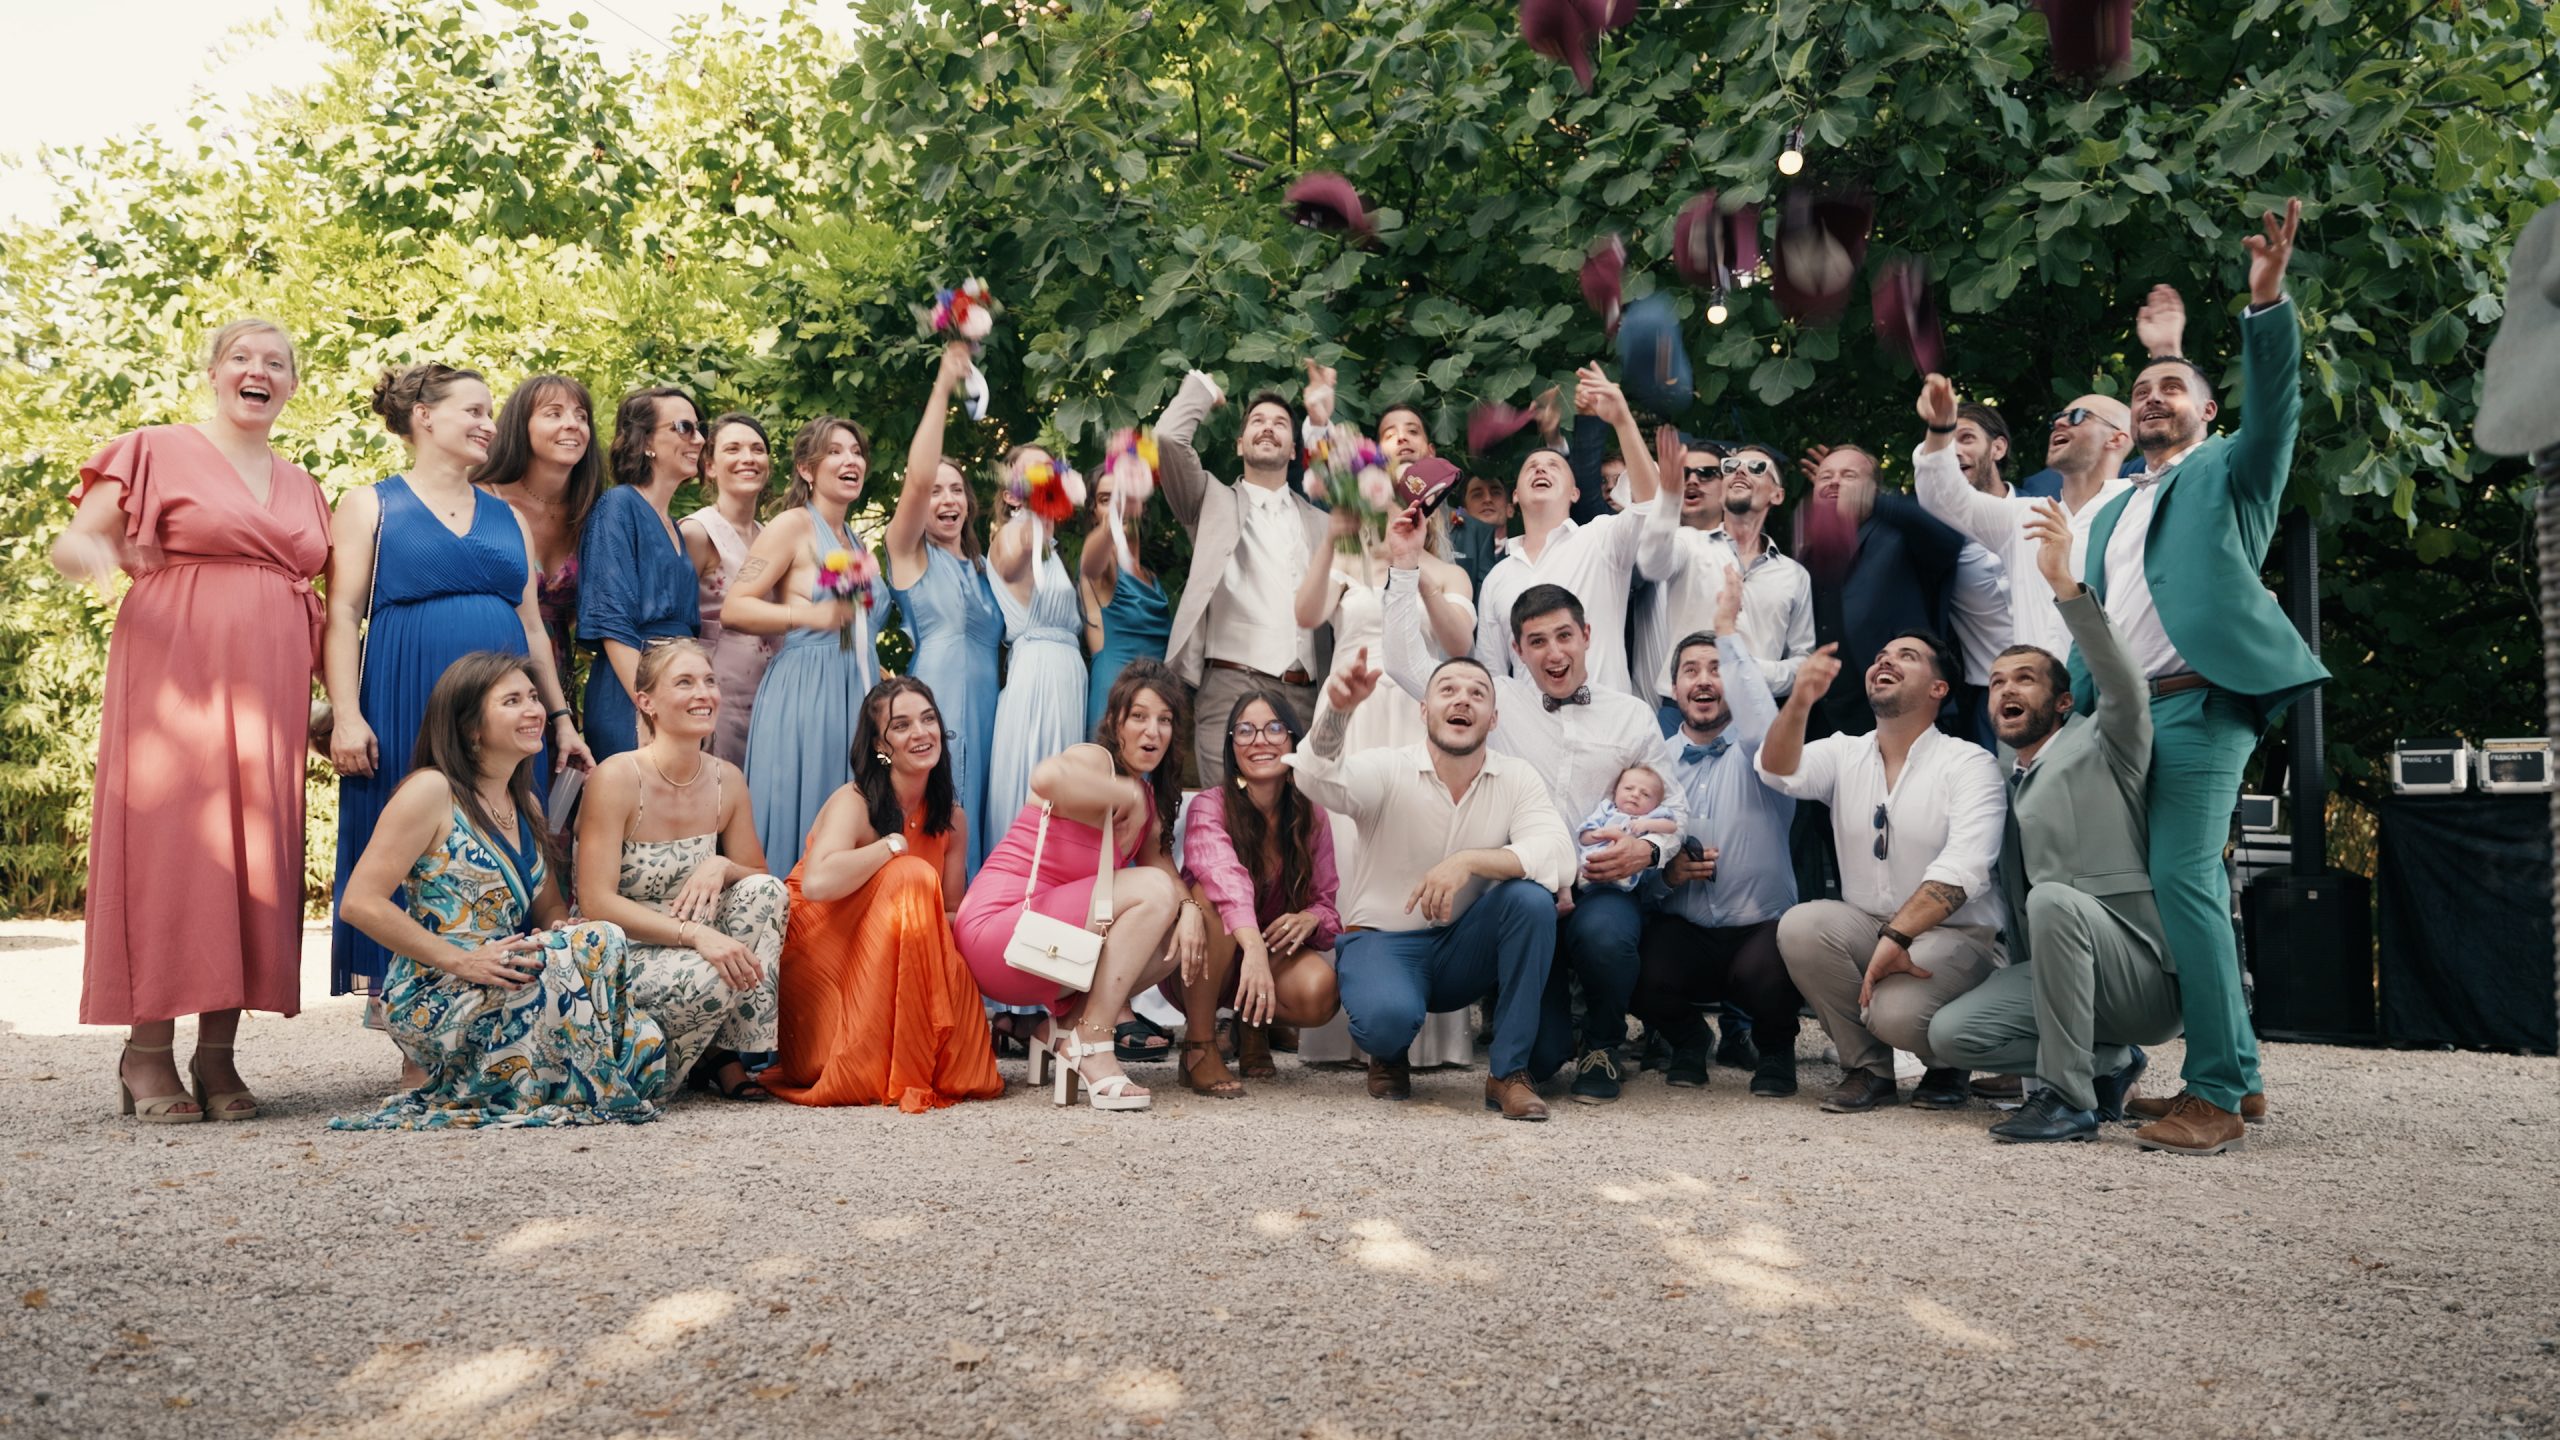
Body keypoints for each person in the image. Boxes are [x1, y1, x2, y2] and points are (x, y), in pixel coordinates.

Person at [2077, 204, 2328, 1154]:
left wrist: (2266, 305)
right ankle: (2244, 1075)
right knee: (2167, 888)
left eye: (2173, 387)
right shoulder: (2110, 512)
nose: (2153, 398)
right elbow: (2096, 621)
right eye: (2142, 389)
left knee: (2183, 881)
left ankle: (2215, 1094)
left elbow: (2278, 405)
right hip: (2124, 721)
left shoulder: (2232, 471)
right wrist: (2073, 714)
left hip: (2201, 704)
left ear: (2208, 412)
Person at [55, 318, 333, 1123]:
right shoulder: (154, 448)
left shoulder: (304, 484)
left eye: (275, 362)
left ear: (291, 385)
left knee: (250, 861)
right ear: (214, 373)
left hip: (270, 695)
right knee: (172, 852)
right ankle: (146, 1052)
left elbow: (316, 601)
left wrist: (325, 702)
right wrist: (88, 554)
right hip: (174, 683)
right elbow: (80, 538)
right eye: (241, 357)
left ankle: (218, 1056)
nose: (258, 370)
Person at [328, 364, 593, 1032]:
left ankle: (504, 1003)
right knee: (406, 839)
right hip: (404, 693)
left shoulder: (509, 517)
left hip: (504, 710)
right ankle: (410, 1022)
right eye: (473, 411)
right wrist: (348, 716)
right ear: (423, 415)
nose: (488, 425)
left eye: (489, 412)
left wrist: (561, 719)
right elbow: (342, 614)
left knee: (506, 836)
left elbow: (532, 626)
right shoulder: (370, 504)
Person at [1382, 530, 1689, 1104]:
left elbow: (1677, 806)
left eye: (1565, 636)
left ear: (1587, 636)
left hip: (1600, 891)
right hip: (1527, 895)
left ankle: (1603, 1042)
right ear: (1518, 649)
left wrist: (1649, 850)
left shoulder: (1631, 715)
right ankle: (1538, 1034)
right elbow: (1404, 662)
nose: (1554, 653)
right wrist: (1404, 566)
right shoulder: (1493, 700)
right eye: (1537, 641)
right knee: (1543, 1059)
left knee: (1606, 937)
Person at [1927, 507, 2182, 1143]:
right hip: (2053, 971)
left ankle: (2068, 1101)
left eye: (2025, 679)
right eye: (1996, 683)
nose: (2005, 690)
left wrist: (2065, 585)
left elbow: (2124, 684)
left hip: (2139, 974)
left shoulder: (2106, 743)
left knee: (2054, 899)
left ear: (2063, 702)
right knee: (1952, 1036)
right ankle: (2109, 1065)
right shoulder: (2000, 773)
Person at [331, 652, 667, 1130]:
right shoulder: (430, 791)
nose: (534, 710)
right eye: (512, 701)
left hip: (505, 975)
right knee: (602, 958)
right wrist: (461, 960)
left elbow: (549, 907)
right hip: (438, 989)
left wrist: (562, 932)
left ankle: (530, 1081)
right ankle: (532, 1079)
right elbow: (359, 903)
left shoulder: (524, 801)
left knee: (643, 1039)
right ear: (470, 727)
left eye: (533, 697)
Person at [1286, 651, 1576, 1119]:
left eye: (1477, 693)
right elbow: (1314, 778)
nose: (1462, 700)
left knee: (1530, 900)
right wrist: (1337, 712)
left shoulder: (1516, 777)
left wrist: (1468, 862)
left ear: (1493, 718)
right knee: (1386, 1023)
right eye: (1448, 690)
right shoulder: (1389, 767)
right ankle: (1388, 1053)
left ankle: (1508, 1073)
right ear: (1424, 710)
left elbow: (1559, 855)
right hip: (1383, 945)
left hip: (1462, 950)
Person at [1757, 632, 2008, 1113]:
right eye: (1880, 656)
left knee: (1895, 1015)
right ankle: (1869, 1069)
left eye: (1906, 657)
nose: (1885, 662)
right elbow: (1776, 770)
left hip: (1956, 935)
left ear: (1938, 688)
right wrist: (1800, 702)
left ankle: (1947, 1064)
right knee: (1802, 925)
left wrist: (1896, 937)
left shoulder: (1969, 763)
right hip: (1868, 924)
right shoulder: (1844, 751)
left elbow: (1964, 867)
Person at [953, 661, 1200, 1112]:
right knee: (1154, 894)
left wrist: (1192, 912)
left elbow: (1168, 876)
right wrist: (1123, 793)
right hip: (1001, 929)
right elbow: (1046, 778)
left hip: (1048, 948)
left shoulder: (1148, 802)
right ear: (1116, 722)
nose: (1153, 731)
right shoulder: (1094, 761)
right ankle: (1093, 1042)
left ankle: (1065, 1028)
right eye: (1139, 716)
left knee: (1175, 934)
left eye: (1165, 720)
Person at [762, 676, 1004, 1110]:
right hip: (823, 953)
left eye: (928, 719)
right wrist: (889, 847)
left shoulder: (952, 819)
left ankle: (908, 1050)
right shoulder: (853, 801)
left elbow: (949, 915)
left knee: (970, 1076)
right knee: (909, 875)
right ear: (880, 745)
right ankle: (860, 1054)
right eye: (901, 725)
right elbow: (817, 883)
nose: (921, 733)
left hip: (896, 955)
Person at [573, 639, 786, 1101]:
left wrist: (721, 864)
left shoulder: (727, 779)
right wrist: (695, 935)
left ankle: (722, 1050)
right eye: (685, 683)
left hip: (694, 938)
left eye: (709, 681)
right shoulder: (617, 777)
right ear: (646, 702)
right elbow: (595, 902)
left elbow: (758, 873)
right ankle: (656, 1065)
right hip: (625, 945)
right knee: (712, 972)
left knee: (766, 892)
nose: (703, 693)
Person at [1634, 575, 1805, 1097]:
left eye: (1717, 670)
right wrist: (1667, 877)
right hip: (1685, 928)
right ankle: (1688, 1038)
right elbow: (1633, 856)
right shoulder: (1654, 767)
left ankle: (1775, 1050)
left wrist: (1729, 635)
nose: (1704, 681)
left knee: (1771, 968)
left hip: (1759, 929)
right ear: (1674, 689)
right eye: (1691, 671)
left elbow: (1761, 716)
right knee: (1629, 959)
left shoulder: (1765, 753)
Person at [1156, 371, 1331, 786]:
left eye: (1280, 423)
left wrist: (1323, 420)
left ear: (1294, 450)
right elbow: (1168, 439)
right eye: (1257, 421)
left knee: (1303, 815)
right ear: (1239, 444)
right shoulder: (1209, 501)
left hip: (1306, 695)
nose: (1268, 427)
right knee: (1225, 811)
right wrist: (1204, 391)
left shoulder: (1323, 523)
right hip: (1230, 687)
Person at [724, 415, 882, 875]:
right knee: (810, 803)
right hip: (805, 691)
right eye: (835, 451)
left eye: (856, 452)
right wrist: (809, 616)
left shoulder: (855, 541)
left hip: (855, 692)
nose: (850, 460)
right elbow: (735, 607)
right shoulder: (792, 525)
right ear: (806, 469)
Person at [1171, 691, 1346, 1097]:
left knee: (1320, 992)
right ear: (1232, 746)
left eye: (1274, 728)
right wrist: (1251, 949)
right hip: (1204, 960)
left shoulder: (1310, 813)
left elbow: (1326, 903)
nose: (1260, 740)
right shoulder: (1209, 806)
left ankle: (1253, 1025)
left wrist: (1311, 918)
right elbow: (1224, 878)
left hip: (1267, 958)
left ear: (1293, 740)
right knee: (1210, 898)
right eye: (1245, 730)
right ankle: (1198, 1046)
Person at [1912, 374, 2135, 665]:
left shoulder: (2141, 508)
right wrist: (1939, 428)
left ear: (2116, 438)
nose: (2060, 422)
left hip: (2116, 687)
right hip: (2036, 689)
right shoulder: (2024, 516)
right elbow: (1941, 496)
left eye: (2078, 416)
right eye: (2057, 417)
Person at [1471, 365, 1662, 695]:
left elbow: (1650, 504)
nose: (1541, 469)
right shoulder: (1497, 578)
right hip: (1530, 727)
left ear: (1575, 493)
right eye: (1532, 467)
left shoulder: (1601, 539)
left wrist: (1622, 420)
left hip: (1606, 722)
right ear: (1515, 495)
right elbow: (1492, 676)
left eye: (1554, 466)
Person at [886, 344, 1005, 873]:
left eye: (956, 489)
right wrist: (943, 386)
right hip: (939, 700)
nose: (946, 499)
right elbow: (916, 478)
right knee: (940, 811)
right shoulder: (909, 552)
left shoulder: (984, 568)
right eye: (936, 492)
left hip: (990, 709)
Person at [1794, 445, 1968, 738]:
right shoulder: (1806, 557)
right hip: (1824, 724)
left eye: (1849, 475)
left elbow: (1948, 542)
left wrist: (1874, 503)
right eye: (1825, 476)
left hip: (1898, 714)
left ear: (1874, 489)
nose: (1835, 482)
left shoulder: (1901, 536)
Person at [1636, 442, 1815, 708]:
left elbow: (1803, 661)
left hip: (1753, 710)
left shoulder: (1795, 575)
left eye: (1757, 467)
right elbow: (1651, 563)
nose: (1740, 471)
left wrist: (1754, 670)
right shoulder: (1688, 543)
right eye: (1731, 467)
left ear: (1777, 495)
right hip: (1681, 711)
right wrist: (1668, 499)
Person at [578, 386, 706, 759]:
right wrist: (650, 708)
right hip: (633, 693)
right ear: (645, 441)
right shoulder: (617, 506)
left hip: (676, 691)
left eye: (700, 428)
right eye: (683, 427)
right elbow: (613, 623)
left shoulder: (673, 524)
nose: (699, 439)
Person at [476, 374, 602, 740]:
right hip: (486, 669)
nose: (572, 424)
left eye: (581, 416)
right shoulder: (482, 500)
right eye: (554, 413)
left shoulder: (591, 514)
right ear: (521, 426)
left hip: (555, 676)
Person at [982, 444, 1091, 832]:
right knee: (1035, 774)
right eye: (1032, 472)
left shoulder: (1052, 551)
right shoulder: (1012, 534)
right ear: (1012, 495)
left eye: (1049, 469)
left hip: (1068, 674)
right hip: (1038, 673)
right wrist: (1037, 512)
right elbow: (1011, 566)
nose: (1046, 476)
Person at [681, 413, 779, 766]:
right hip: (716, 695)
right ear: (709, 466)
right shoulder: (697, 532)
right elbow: (674, 627)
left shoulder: (772, 535)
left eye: (757, 449)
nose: (747, 458)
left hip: (771, 697)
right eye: (733, 449)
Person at [1079, 447, 1171, 739]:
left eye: (1125, 494)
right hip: (1115, 691)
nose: (1118, 503)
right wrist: (1114, 517)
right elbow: (1089, 564)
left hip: (1156, 697)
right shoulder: (1104, 566)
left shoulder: (1151, 577)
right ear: (1094, 512)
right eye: (1105, 499)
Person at [1573, 766, 1680, 894]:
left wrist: (1647, 824)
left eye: (1645, 794)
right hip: (1593, 860)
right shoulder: (1606, 810)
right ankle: (1586, 874)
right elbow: (1583, 838)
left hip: (1625, 869)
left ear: (1656, 805)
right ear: (1615, 792)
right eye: (1628, 788)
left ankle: (1620, 880)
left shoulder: (1649, 817)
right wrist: (1604, 833)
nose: (1635, 795)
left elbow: (1671, 827)